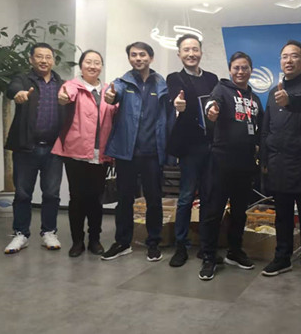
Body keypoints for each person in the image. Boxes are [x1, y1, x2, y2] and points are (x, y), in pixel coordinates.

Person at [102, 42, 174, 262]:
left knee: (154, 200)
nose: (138, 58)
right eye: (133, 55)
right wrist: (110, 97)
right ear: (129, 59)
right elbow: (112, 94)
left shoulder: (161, 84)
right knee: (125, 199)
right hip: (127, 152)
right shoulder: (122, 83)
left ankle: (153, 243)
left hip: (153, 152)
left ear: (150, 58)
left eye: (142, 54)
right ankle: (122, 242)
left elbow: (169, 116)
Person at [260, 40, 301, 285]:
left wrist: (289, 100)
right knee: (282, 216)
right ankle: (282, 257)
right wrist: (264, 160)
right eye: (284, 56)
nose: (289, 60)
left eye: (294, 56)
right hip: (277, 163)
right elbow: (266, 128)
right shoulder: (272, 92)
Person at [198, 51, 263, 281]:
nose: (240, 71)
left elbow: (261, 127)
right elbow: (211, 105)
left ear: (251, 70)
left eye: (245, 67)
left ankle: (235, 251)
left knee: (239, 211)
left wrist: (259, 148)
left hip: (245, 163)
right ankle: (208, 256)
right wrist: (211, 111)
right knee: (214, 211)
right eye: (236, 67)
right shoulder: (221, 89)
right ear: (230, 70)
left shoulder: (255, 99)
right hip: (221, 161)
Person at [52, 50, 118, 257]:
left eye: (97, 62)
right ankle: (77, 241)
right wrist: (63, 98)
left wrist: (115, 101)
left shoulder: (108, 90)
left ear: (101, 66)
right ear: (81, 65)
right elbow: (65, 96)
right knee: (77, 198)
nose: (92, 66)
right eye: (88, 62)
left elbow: (115, 115)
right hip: (76, 152)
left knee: (96, 198)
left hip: (101, 153)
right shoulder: (72, 86)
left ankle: (95, 240)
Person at [3, 42, 65, 254]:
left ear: (53, 60)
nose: (44, 61)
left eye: (48, 57)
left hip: (54, 150)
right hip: (26, 148)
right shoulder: (23, 79)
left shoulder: (61, 84)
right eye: (39, 56)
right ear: (31, 59)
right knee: (22, 194)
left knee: (52, 194)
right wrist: (18, 94)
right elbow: (12, 89)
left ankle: (49, 232)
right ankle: (21, 234)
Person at [166, 34, 219, 267]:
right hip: (189, 148)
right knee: (186, 197)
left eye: (195, 49)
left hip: (211, 146)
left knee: (208, 197)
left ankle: (206, 247)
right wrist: (178, 105)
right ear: (179, 54)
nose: (191, 54)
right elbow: (174, 99)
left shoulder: (212, 78)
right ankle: (181, 246)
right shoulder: (174, 78)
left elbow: (216, 102)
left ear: (201, 52)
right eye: (186, 50)